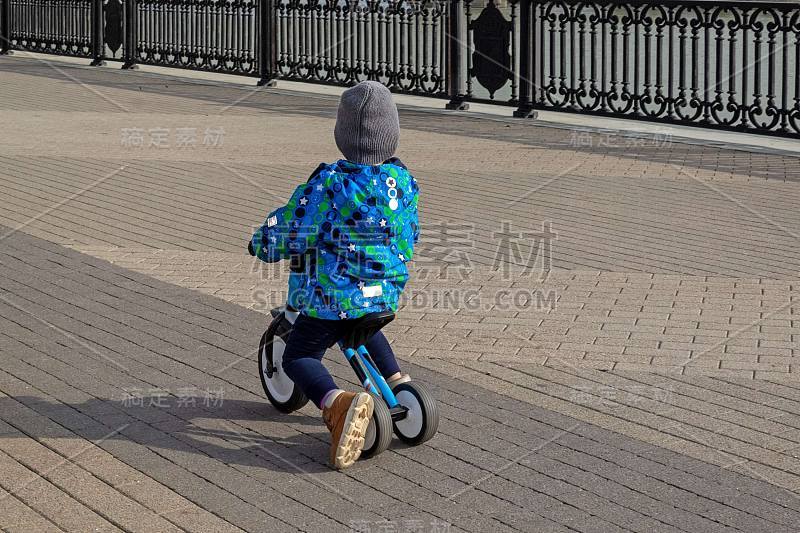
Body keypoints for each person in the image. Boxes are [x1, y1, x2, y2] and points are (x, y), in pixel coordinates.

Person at [249, 81, 419, 469]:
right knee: (365, 330)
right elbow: (413, 232)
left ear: (341, 136)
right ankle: (398, 387)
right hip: (383, 295)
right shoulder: (403, 182)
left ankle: (336, 404)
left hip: (329, 299)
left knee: (299, 355)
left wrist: (263, 243)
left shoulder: (328, 185)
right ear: (392, 135)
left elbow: (292, 228)